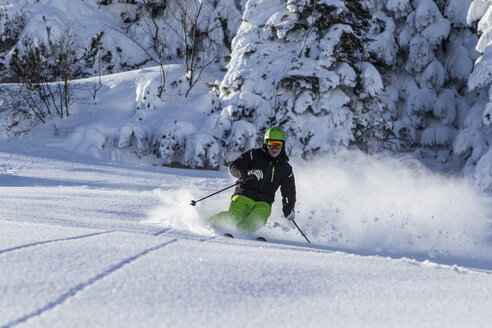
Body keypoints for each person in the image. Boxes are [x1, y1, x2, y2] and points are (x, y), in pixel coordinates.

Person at [206, 127, 296, 233]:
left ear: (283, 146)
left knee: (259, 218)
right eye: (271, 144)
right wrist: (246, 173)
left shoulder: (285, 168)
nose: (274, 148)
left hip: (264, 201)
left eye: (278, 145)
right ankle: (206, 224)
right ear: (266, 143)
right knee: (235, 216)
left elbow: (289, 190)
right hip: (244, 194)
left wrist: (288, 206)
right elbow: (234, 166)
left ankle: (239, 234)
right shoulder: (254, 155)